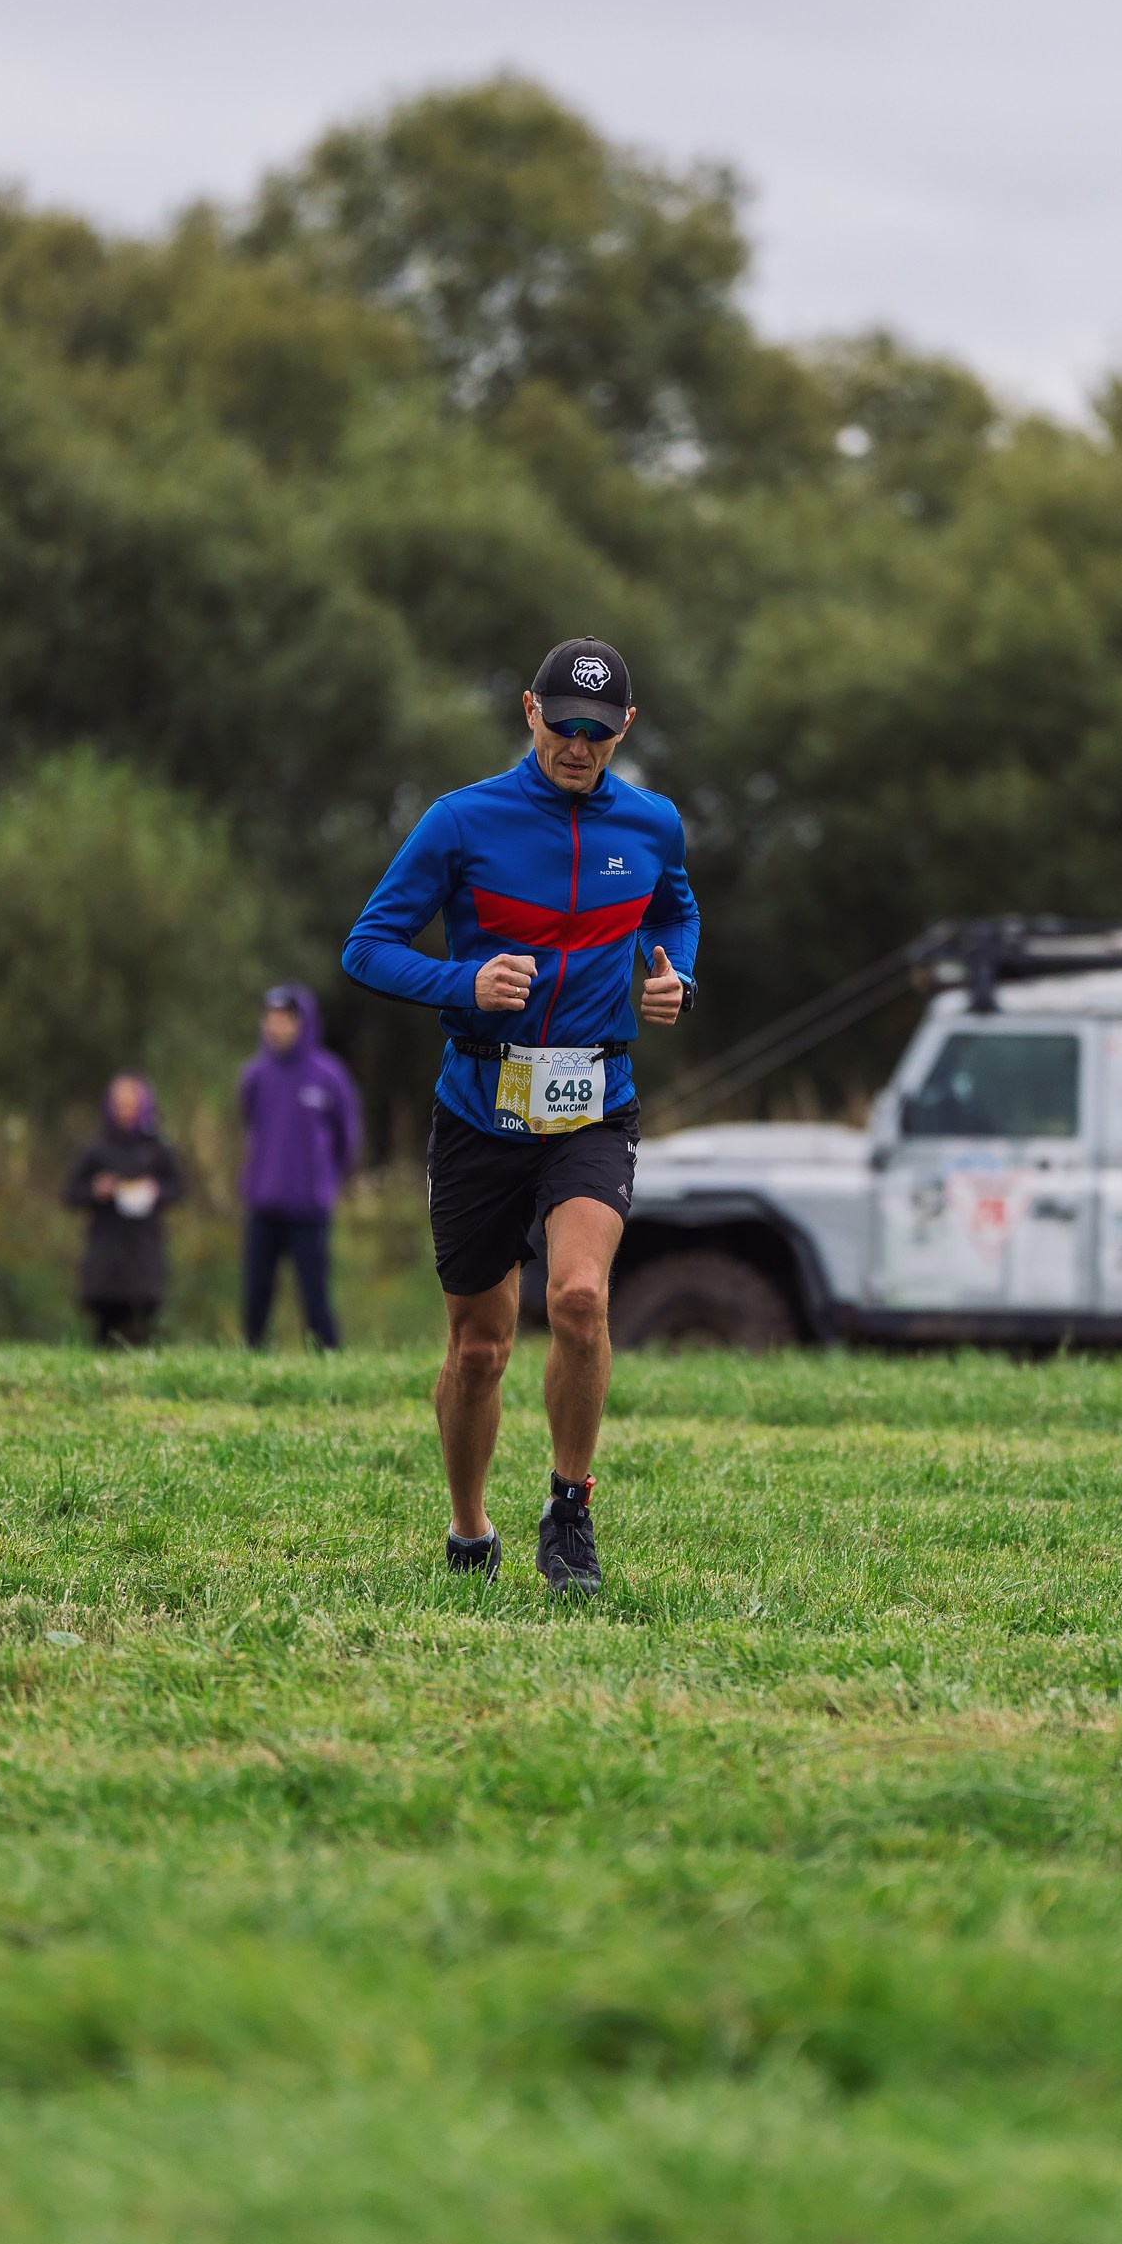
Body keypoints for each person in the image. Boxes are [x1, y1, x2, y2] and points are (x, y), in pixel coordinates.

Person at [342, 638, 697, 1593]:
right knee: (479, 1347)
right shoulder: (461, 822)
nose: (578, 746)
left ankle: (570, 1511)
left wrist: (678, 976)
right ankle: (470, 1529)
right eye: (563, 725)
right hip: (480, 1106)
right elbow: (367, 947)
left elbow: (676, 913)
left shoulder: (653, 823)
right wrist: (462, 981)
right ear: (530, 713)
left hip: (594, 1101)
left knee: (580, 1299)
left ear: (625, 728)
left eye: (599, 731)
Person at [238, 982, 362, 1352]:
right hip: (263, 1203)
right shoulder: (255, 1076)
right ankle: (252, 1358)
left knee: (314, 1293)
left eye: (285, 1018)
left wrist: (325, 1180)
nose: (276, 1026)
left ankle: (327, 1361)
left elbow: (347, 1139)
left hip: (310, 1206)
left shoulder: (329, 1075)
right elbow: (250, 1123)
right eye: (270, 1018)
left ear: (302, 1022)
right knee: (256, 1291)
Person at [63, 1074, 185, 1347]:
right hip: (106, 1250)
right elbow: (71, 1193)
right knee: (105, 1327)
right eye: (120, 1105)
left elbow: (177, 1188)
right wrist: (97, 1190)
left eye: (131, 1105)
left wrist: (155, 1190)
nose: (125, 1111)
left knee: (142, 1323)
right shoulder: (96, 1149)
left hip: (144, 1250)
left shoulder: (157, 1148)